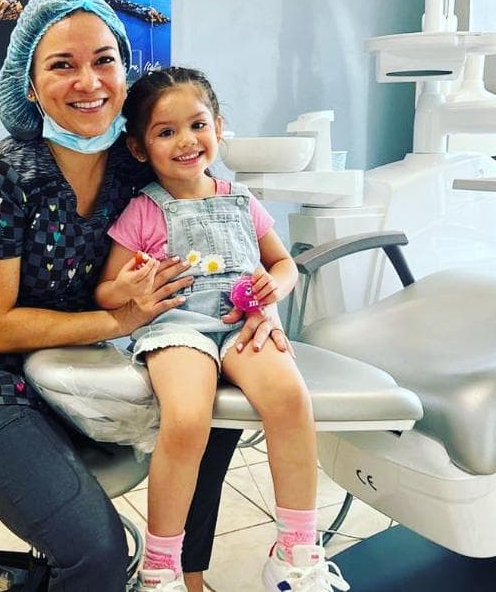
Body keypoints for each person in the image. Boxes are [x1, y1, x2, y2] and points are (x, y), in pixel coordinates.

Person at [0, 0, 284, 592]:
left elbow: (227, 240)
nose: (89, 81)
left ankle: (183, 576)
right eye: (62, 65)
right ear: (30, 85)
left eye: (104, 60)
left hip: (89, 370)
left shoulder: (138, 167)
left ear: (124, 69)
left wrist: (256, 307)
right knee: (98, 557)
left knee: (211, 416)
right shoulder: (2, 174)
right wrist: (120, 321)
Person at [95, 67, 350, 592]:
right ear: (140, 148)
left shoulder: (242, 201)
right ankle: (161, 567)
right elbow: (105, 291)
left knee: (290, 400)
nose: (186, 141)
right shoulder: (143, 210)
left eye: (197, 124)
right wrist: (131, 285)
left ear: (219, 126)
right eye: (166, 132)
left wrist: (273, 292)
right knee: (187, 419)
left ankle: (296, 551)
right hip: (178, 325)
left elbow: (284, 265)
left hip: (242, 324)